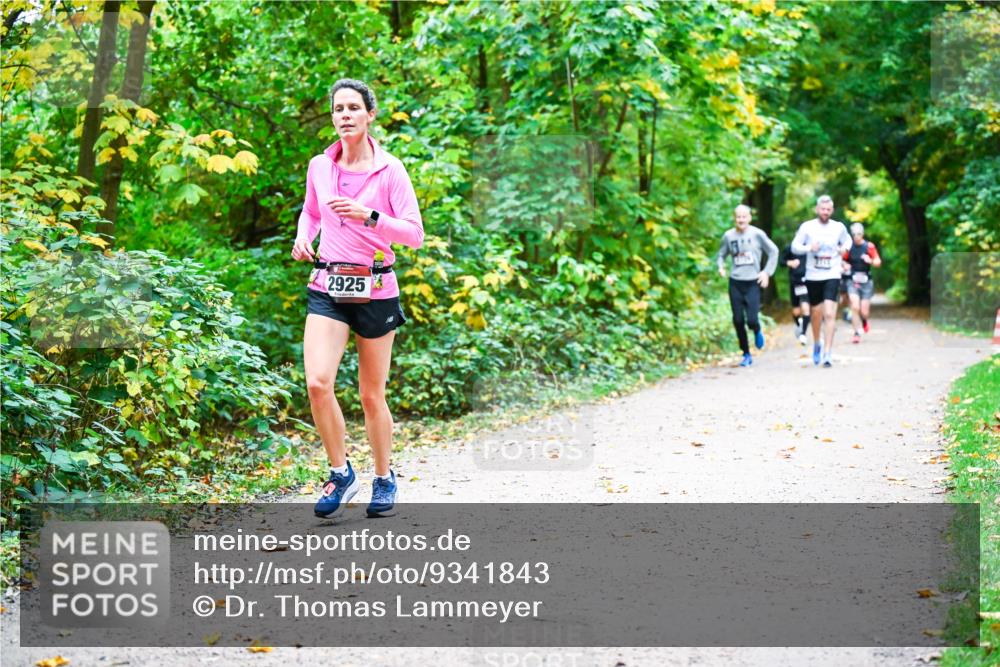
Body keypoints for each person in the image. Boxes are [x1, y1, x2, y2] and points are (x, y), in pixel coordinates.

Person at [291, 78, 423, 519]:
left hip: (376, 288)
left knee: (371, 395)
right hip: (328, 286)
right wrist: (303, 237)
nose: (344, 115)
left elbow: (414, 235)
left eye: (353, 108)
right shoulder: (320, 167)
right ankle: (340, 471)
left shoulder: (391, 171)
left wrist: (370, 216)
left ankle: (384, 479)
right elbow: (311, 211)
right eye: (338, 108)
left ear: (370, 115)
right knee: (317, 383)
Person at [791, 195, 851, 367]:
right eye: (822, 209)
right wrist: (809, 247)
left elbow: (847, 241)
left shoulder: (838, 227)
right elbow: (795, 246)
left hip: (832, 273)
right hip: (813, 275)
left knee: (830, 313)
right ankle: (817, 343)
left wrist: (844, 249)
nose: (825, 212)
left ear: (832, 210)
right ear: (817, 209)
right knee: (816, 313)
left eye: (828, 209)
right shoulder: (807, 227)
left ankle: (828, 353)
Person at [716, 205, 779, 367]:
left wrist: (766, 272)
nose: (741, 220)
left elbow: (774, 251)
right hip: (736, 282)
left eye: (744, 217)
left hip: (753, 281)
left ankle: (757, 330)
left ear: (749, 218)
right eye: (738, 217)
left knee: (751, 319)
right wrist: (721, 266)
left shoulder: (757, 234)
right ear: (735, 218)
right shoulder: (729, 236)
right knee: (737, 320)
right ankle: (746, 353)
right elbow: (721, 254)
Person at [842, 222, 882, 344]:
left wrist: (870, 260)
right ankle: (856, 333)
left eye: (858, 234)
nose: (856, 236)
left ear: (862, 234)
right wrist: (845, 265)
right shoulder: (848, 247)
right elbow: (841, 260)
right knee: (855, 306)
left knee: (864, 312)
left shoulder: (869, 246)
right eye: (854, 234)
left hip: (866, 281)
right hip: (852, 280)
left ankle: (864, 321)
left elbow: (878, 262)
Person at [778, 242, 810, 345]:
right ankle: (799, 323)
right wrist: (790, 263)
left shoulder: (810, 248)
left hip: (807, 282)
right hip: (795, 282)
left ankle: (803, 334)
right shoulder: (791, 248)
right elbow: (781, 261)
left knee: (806, 308)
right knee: (796, 311)